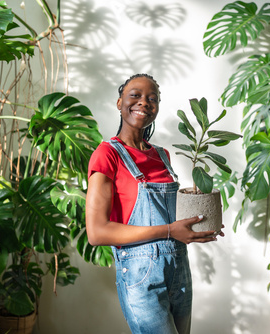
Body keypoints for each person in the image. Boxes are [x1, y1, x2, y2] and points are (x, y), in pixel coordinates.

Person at [85, 73, 224, 334]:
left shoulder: (163, 155)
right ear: (119, 103)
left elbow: (173, 217)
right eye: (135, 95)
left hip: (179, 270)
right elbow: (97, 232)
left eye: (152, 99)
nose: (144, 102)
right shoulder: (107, 154)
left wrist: (202, 223)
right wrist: (171, 231)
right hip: (141, 276)